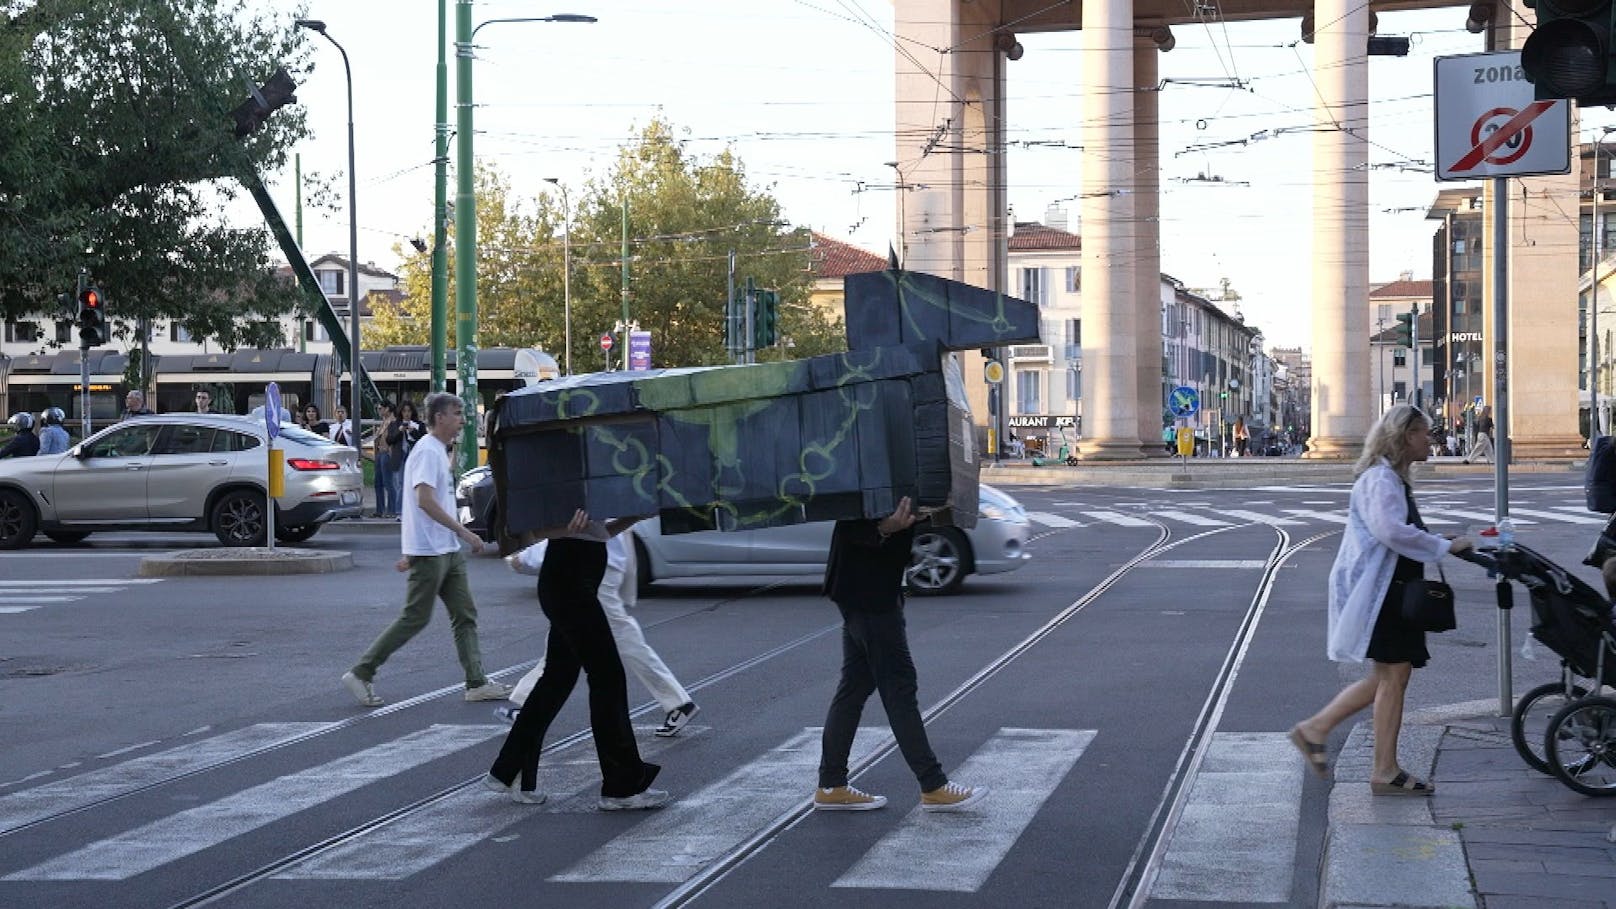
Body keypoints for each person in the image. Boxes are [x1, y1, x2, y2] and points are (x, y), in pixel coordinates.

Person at [1289, 404, 1473, 797]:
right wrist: (1444, 545)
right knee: (1393, 676)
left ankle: (1317, 730)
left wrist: (1439, 540)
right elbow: (1390, 531)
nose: (1430, 439)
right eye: (1425, 433)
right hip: (1384, 592)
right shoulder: (1380, 479)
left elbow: (1398, 530)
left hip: (1393, 588)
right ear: (1406, 436)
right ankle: (1382, 769)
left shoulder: (1389, 478)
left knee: (1391, 675)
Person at [484, 510, 670, 810]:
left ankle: (510, 767)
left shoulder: (584, 480)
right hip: (567, 581)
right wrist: (562, 526)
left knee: (558, 679)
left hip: (578, 579)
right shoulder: (560, 478)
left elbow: (600, 532)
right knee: (607, 675)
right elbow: (533, 531)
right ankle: (621, 786)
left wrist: (634, 517)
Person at [813, 497, 985, 813]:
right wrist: (884, 528)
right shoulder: (870, 459)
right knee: (899, 686)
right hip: (868, 592)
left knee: (855, 685)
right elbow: (851, 518)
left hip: (867, 588)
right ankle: (932, 785)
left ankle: (831, 784)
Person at [341, 392, 511, 708]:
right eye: (457, 413)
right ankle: (362, 671)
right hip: (432, 551)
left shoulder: (438, 451)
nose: (462, 419)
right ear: (439, 417)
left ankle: (476, 682)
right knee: (415, 617)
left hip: (444, 550)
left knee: (465, 613)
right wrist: (462, 532)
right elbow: (424, 500)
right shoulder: (427, 452)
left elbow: (426, 504)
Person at [499, 530, 700, 737]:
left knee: (614, 639)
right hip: (598, 569)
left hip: (593, 573)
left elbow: (573, 533)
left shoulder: (590, 501)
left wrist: (525, 558)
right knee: (563, 642)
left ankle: (678, 702)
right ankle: (526, 706)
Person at [373, 401, 399, 519]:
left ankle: (392, 509)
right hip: (379, 453)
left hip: (387, 454)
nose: (379, 411)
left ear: (387, 409)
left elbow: (393, 440)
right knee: (378, 483)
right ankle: (380, 509)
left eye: (380, 408)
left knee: (388, 483)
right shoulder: (384, 422)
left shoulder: (393, 422)